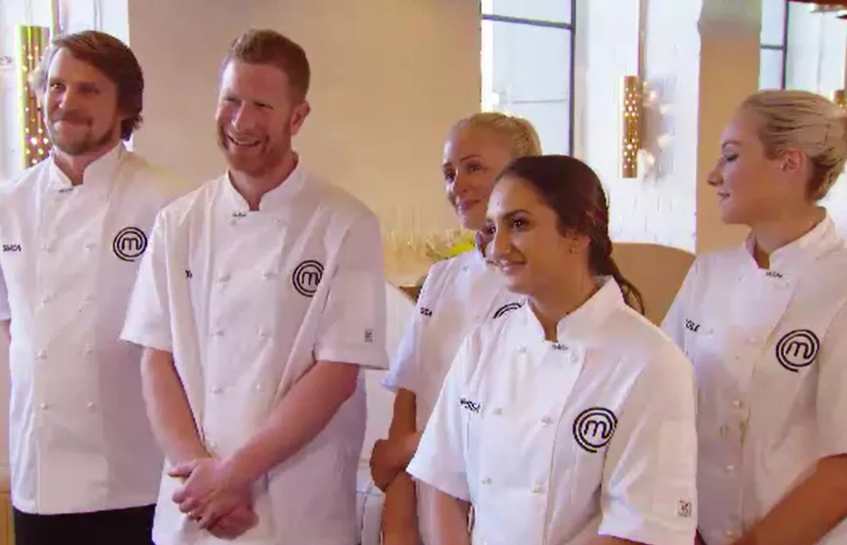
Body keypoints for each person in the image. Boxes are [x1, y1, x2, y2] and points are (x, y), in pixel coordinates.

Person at [121, 29, 388, 545]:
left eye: (261, 105)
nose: (241, 122)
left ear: (298, 117)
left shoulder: (345, 223)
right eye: (231, 101)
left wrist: (234, 474)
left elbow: (336, 371)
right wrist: (199, 476)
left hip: (295, 509)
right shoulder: (179, 222)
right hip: (195, 506)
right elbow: (156, 358)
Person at [406, 155, 698, 545]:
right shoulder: (483, 345)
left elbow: (641, 527)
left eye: (520, 224)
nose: (497, 248)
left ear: (577, 231)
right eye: (492, 229)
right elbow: (441, 481)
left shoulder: (650, 362)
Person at [0, 30, 188, 545]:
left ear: (126, 105)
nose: (66, 102)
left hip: (139, 480)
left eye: (89, 90)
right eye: (56, 86)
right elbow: (11, 337)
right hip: (39, 479)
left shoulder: (169, 204)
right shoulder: (8, 205)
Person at [662, 90, 847, 545]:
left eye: (730, 156)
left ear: (789, 162)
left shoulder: (839, 284)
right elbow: (661, 404)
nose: (712, 176)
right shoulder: (708, 273)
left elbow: (842, 469)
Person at [372, 112, 542, 544]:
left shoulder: (544, 285)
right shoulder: (443, 277)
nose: (457, 185)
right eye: (449, 173)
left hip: (506, 501)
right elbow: (409, 393)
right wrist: (398, 527)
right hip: (428, 495)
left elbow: (512, 417)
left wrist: (405, 450)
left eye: (474, 167)